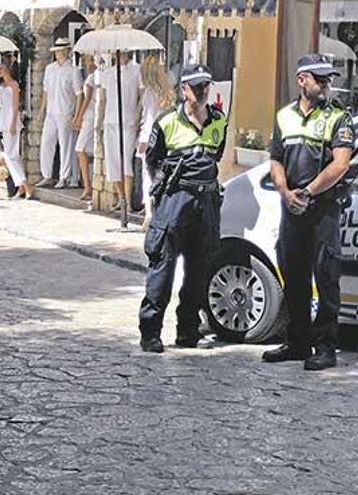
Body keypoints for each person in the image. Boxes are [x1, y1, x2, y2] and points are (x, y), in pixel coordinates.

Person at [261, 54, 355, 371]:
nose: (327, 84)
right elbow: (275, 158)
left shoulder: (338, 117)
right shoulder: (284, 116)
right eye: (321, 78)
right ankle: (297, 342)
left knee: (326, 279)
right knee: (294, 278)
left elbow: (341, 164)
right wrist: (285, 191)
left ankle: (325, 347)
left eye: (328, 78)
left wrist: (308, 191)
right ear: (303, 80)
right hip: (292, 208)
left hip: (322, 209)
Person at [138, 64, 227, 353]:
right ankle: (151, 332)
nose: (203, 91)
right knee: (162, 269)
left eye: (206, 85)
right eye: (197, 86)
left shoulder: (218, 120)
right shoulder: (166, 122)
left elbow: (218, 154)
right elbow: (152, 161)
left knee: (200, 270)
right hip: (175, 201)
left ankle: (188, 331)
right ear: (184, 90)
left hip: (207, 203)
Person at [36, 38, 83, 189]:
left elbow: (79, 95)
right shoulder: (50, 69)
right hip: (51, 112)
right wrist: (42, 111)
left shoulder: (73, 71)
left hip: (65, 112)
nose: (58, 54)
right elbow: (46, 92)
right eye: (56, 51)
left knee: (65, 144)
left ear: (66, 52)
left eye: (60, 51)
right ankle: (47, 175)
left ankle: (64, 176)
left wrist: (76, 115)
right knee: (47, 142)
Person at [98, 51, 141, 211]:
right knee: (113, 162)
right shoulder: (108, 73)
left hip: (128, 121)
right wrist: (99, 122)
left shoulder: (136, 70)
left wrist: (137, 116)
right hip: (110, 120)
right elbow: (103, 98)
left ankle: (128, 201)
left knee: (126, 160)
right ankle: (121, 197)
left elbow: (141, 95)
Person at [137, 55, 175, 228]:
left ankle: (149, 213)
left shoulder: (149, 93)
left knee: (148, 176)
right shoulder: (168, 92)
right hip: (167, 138)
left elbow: (150, 118)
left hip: (150, 137)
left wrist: (143, 139)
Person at [0, 61, 30, 200]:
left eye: (2, 68)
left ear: (8, 69)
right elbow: (0, 106)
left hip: (11, 120)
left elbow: (15, 105)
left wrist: (14, 122)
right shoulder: (2, 86)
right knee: (12, 155)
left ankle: (26, 185)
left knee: (10, 155)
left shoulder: (14, 85)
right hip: (3, 120)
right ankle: (20, 187)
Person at [72, 54, 97, 201]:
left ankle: (88, 186)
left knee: (79, 148)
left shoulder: (91, 78)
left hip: (89, 116)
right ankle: (88, 184)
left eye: (88, 60)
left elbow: (87, 99)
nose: (87, 63)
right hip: (92, 115)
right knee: (86, 150)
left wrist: (78, 116)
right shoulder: (97, 77)